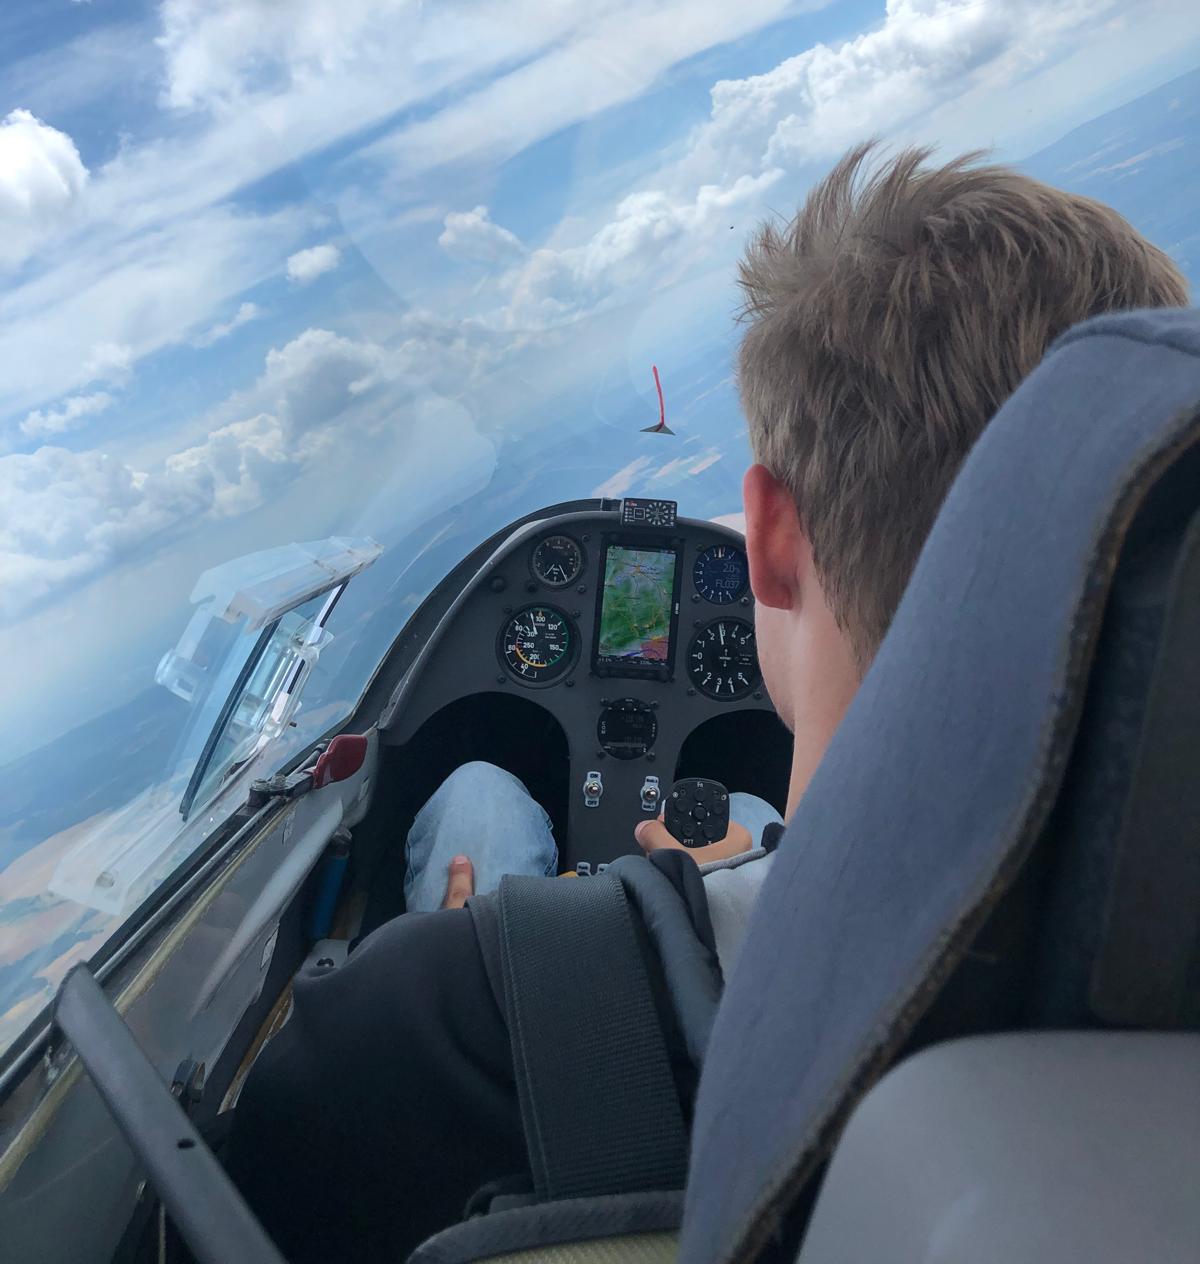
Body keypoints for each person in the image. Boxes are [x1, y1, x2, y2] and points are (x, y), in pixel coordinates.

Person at [227, 144, 1188, 1264]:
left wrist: (512, 950)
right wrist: (759, 865)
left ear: (770, 538)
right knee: (743, 811)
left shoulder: (418, 1024)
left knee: (480, 796)